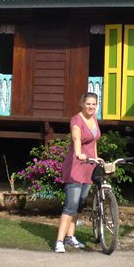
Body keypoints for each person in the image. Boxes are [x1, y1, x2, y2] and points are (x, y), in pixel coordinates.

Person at [54, 92, 100, 253]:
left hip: (89, 166)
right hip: (76, 165)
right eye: (88, 104)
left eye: (94, 104)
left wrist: (96, 157)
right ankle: (59, 241)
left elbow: (94, 141)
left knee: (79, 204)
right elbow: (76, 138)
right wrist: (80, 153)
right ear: (82, 103)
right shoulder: (77, 120)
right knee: (71, 205)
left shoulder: (94, 119)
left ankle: (70, 237)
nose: (91, 107)